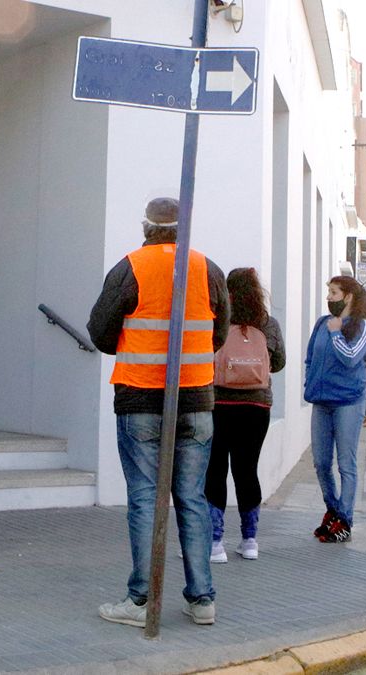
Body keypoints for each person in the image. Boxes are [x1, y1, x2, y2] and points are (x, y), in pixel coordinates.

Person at [87, 196, 229, 628]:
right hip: (197, 400)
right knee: (192, 498)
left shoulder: (130, 266)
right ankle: (202, 598)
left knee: (146, 498)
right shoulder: (209, 269)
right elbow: (218, 334)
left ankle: (141, 600)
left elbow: (100, 332)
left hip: (141, 399)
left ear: (147, 227)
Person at [205, 268, 285, 562]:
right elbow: (278, 363)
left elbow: (204, 355)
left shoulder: (218, 321)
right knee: (247, 470)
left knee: (215, 469)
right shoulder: (268, 324)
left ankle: (215, 543)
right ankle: (249, 540)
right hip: (257, 408)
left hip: (219, 405)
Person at [304, 275, 366, 543]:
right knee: (321, 462)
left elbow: (350, 357)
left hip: (348, 402)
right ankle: (333, 510)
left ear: (348, 296)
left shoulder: (364, 326)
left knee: (346, 464)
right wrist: (309, 381)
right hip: (321, 401)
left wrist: (336, 331)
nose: (329, 298)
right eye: (328, 293)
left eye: (333, 293)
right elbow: (310, 358)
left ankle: (345, 519)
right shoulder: (321, 324)